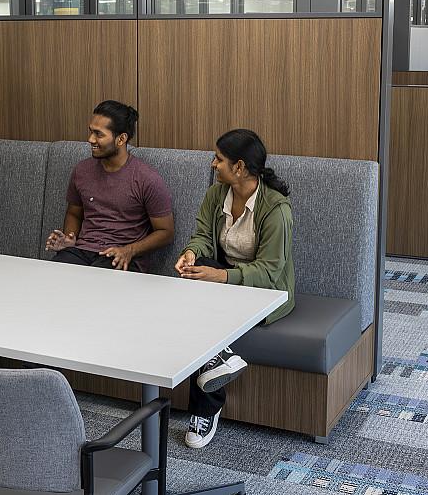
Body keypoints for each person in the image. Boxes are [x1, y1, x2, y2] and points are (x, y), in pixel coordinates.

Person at [174, 129, 295, 449]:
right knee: (187, 287)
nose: (213, 164)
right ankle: (220, 357)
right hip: (225, 279)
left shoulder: (275, 209)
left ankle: (205, 412)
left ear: (239, 167)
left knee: (202, 310)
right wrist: (192, 253)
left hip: (265, 290)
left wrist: (221, 278)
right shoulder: (216, 195)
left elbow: (271, 271)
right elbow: (201, 236)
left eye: (219, 159)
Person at [45, 100, 175, 272]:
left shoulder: (146, 178)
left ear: (121, 139)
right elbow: (74, 213)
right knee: (49, 278)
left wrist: (130, 250)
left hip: (120, 257)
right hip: (81, 251)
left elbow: (166, 232)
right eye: (91, 131)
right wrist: (70, 239)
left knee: (95, 289)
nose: (90, 139)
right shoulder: (82, 170)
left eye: (99, 134)